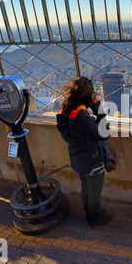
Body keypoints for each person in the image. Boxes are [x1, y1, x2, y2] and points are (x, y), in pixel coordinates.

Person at [56, 76, 112, 228]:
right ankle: (95, 219)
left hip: (77, 161)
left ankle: (90, 215)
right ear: (89, 98)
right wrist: (97, 107)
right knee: (94, 193)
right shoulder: (83, 120)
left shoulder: (66, 113)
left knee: (85, 189)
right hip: (92, 163)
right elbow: (105, 133)